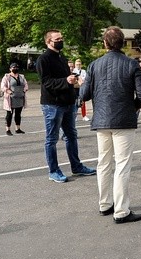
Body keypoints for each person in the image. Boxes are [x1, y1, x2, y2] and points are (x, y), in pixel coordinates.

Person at [79, 27, 141, 223]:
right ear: (122, 43)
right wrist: (133, 108)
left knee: (103, 163)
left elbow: (84, 95)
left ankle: (105, 204)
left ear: (105, 43)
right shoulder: (131, 64)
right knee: (122, 165)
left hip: (101, 120)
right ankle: (121, 211)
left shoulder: (94, 65)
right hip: (123, 120)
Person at [36, 30, 96, 182]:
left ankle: (76, 166)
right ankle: (53, 171)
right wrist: (65, 81)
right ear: (48, 42)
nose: (60, 41)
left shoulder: (62, 58)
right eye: (57, 39)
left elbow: (65, 78)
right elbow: (46, 82)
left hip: (68, 103)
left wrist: (72, 81)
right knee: (52, 139)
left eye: (61, 38)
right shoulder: (43, 59)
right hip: (52, 104)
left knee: (71, 135)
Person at [1, 62, 28, 136]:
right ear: (10, 69)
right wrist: (9, 91)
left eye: (16, 67)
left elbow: (25, 84)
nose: (15, 68)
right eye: (13, 67)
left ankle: (17, 128)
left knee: (18, 114)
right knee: (9, 114)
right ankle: (8, 129)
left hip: (20, 97)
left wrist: (24, 90)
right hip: (11, 98)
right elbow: (3, 86)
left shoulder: (21, 77)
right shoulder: (7, 77)